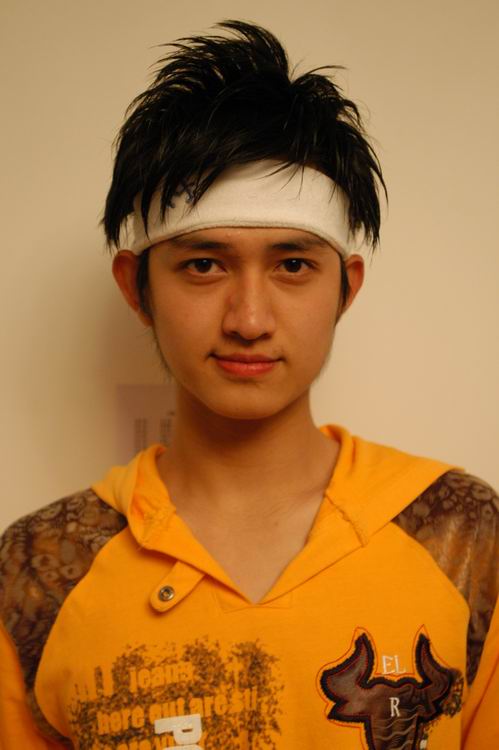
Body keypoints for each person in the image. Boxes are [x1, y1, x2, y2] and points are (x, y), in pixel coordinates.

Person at [0, 19, 497, 750]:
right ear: (136, 287)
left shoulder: (459, 532)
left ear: (346, 287)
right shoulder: (40, 569)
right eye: (203, 265)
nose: (249, 319)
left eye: (293, 265)